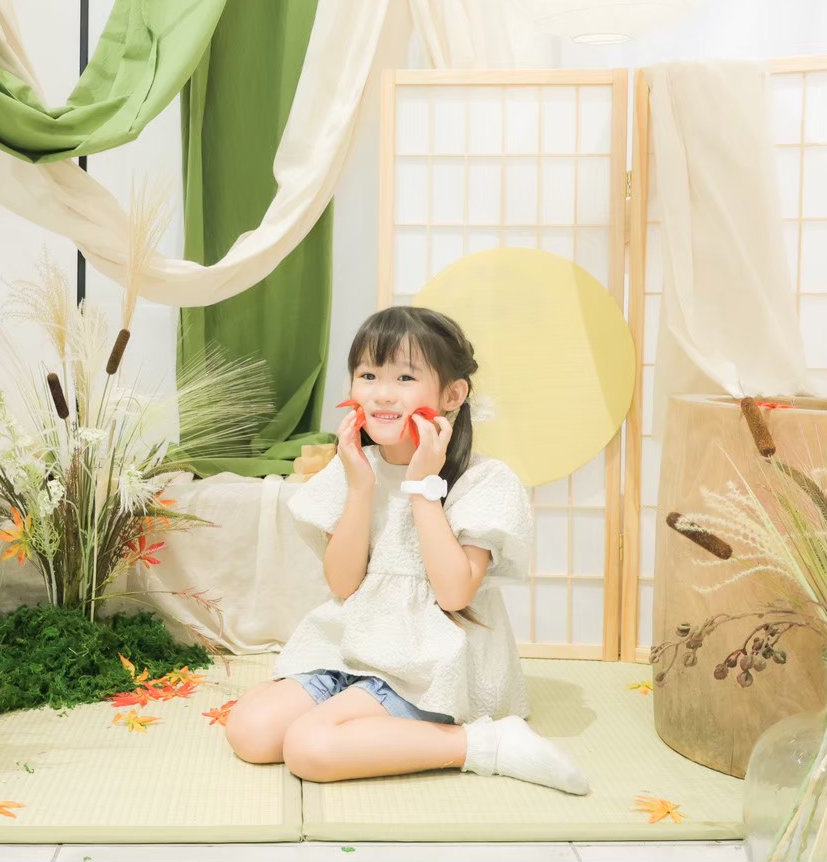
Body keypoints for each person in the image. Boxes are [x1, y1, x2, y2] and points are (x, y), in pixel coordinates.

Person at [223, 306, 589, 795]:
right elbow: (343, 585)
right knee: (250, 731)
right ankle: (368, 714)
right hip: (350, 648)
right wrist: (360, 487)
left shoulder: (485, 480)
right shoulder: (354, 469)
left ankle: (487, 744)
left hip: (429, 663)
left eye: (405, 377)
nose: (382, 393)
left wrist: (422, 487)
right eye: (368, 375)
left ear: (452, 395)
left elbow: (454, 593)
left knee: (310, 747)